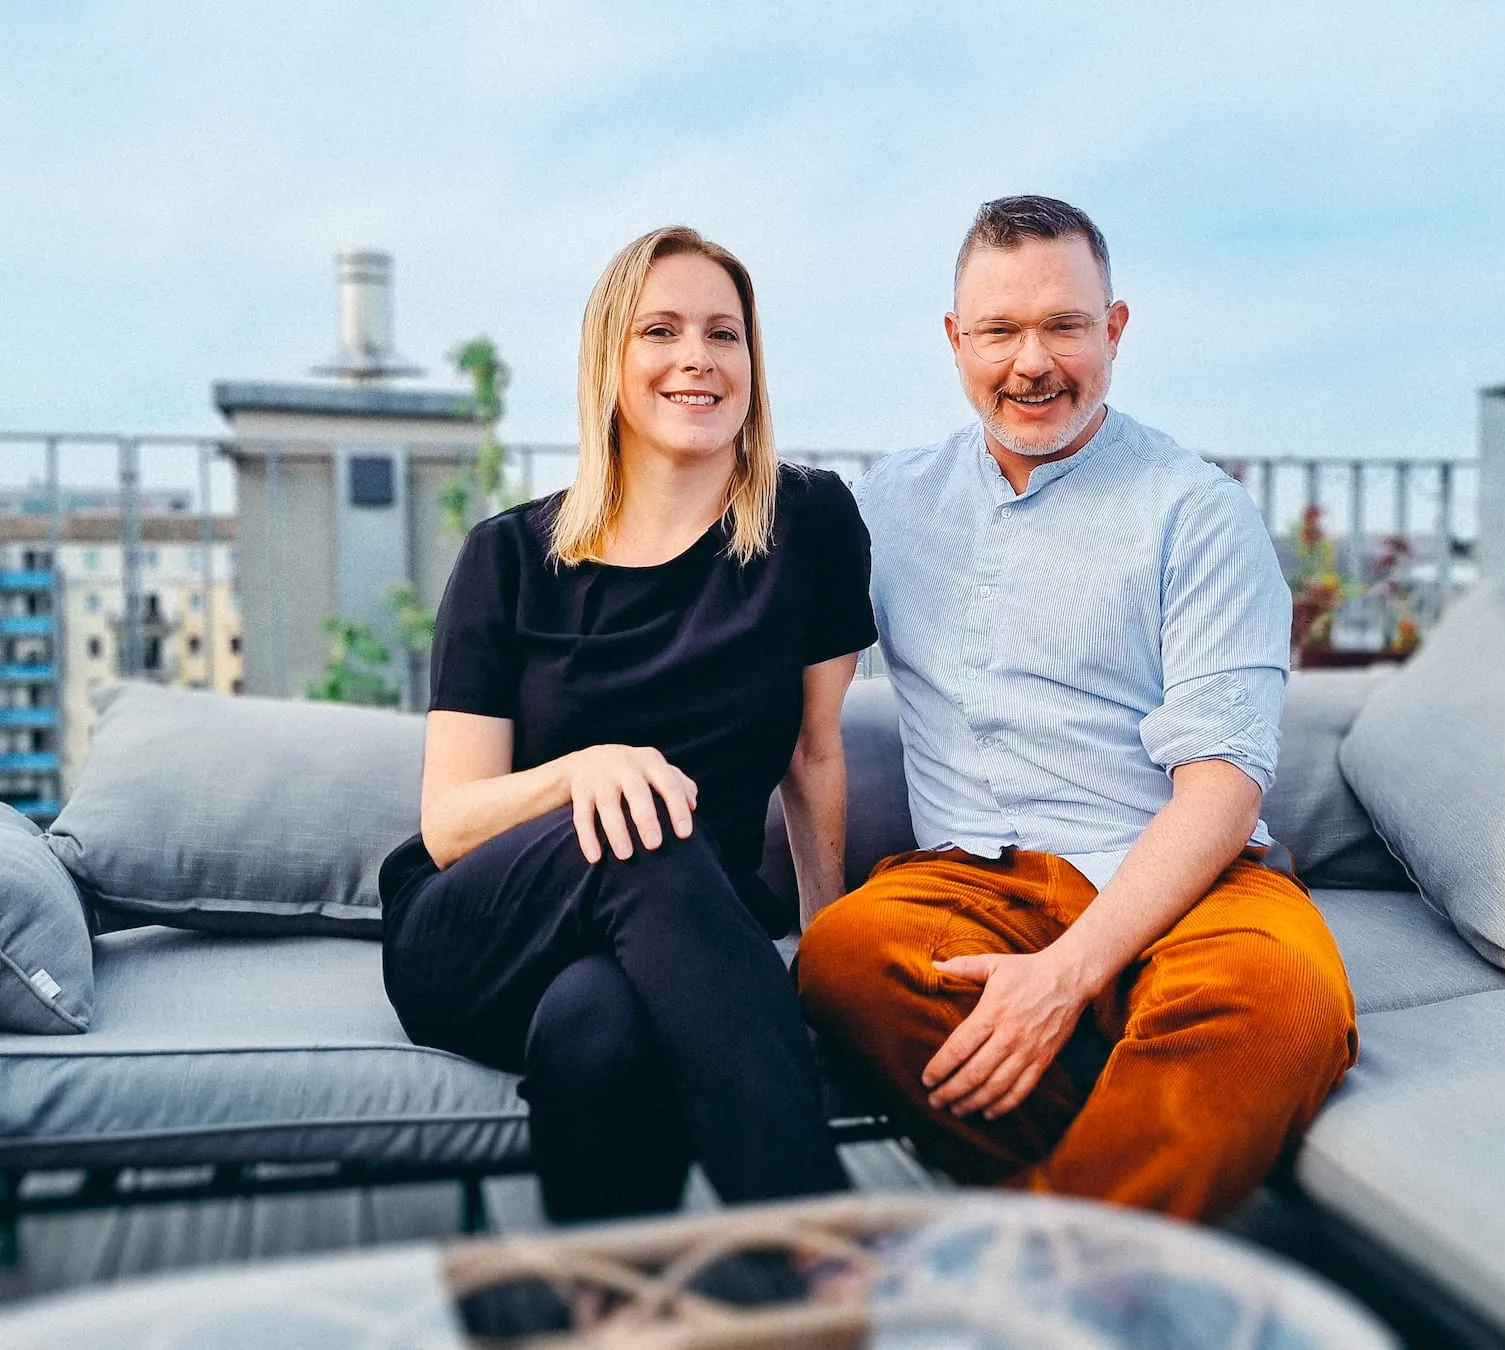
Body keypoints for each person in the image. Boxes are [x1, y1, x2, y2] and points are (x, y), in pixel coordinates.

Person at [797, 196, 1357, 1222]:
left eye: (1064, 325)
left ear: (1116, 329)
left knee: (1282, 1003)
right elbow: (796, 715)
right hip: (971, 881)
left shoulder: (1198, 511)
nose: (1032, 363)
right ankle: (1111, 1243)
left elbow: (1222, 793)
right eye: (1000, 331)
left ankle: (1033, 1268)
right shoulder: (886, 506)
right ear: (955, 340)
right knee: (844, 956)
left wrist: (1065, 975)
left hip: (1185, 881)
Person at [380, 225, 873, 1222]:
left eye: (724, 334)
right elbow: (450, 822)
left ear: (752, 366)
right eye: (662, 330)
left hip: (678, 937)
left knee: (595, 1033)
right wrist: (584, 771)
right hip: (482, 930)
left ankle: (617, 1310)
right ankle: (823, 1252)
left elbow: (814, 756)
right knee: (650, 822)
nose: (697, 357)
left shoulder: (810, 526)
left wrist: (825, 952)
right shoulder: (510, 558)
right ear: (611, 362)